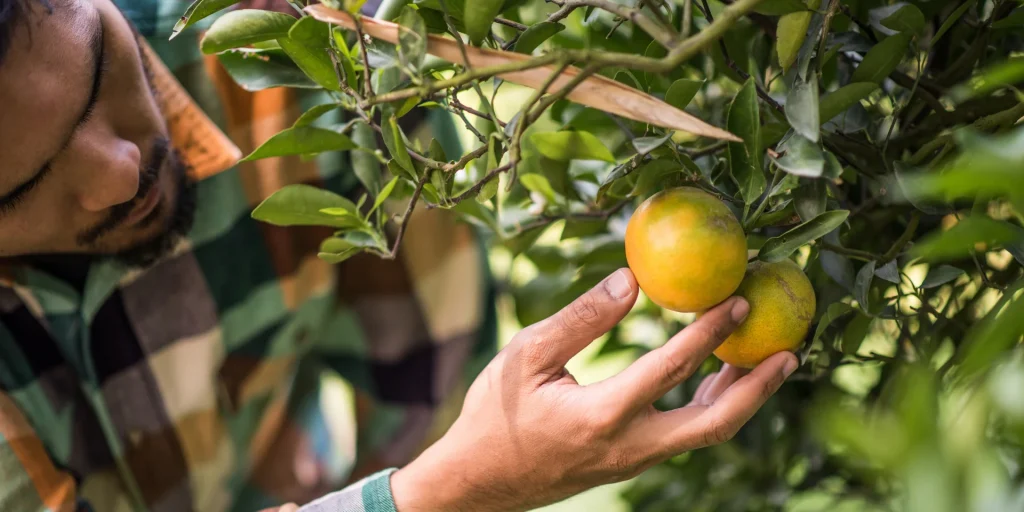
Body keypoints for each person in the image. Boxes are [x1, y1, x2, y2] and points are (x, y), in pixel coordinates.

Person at [0, 1, 799, 511]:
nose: (120, 170)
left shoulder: (300, 68)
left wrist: (392, 480)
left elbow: (432, 382)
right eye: (24, 183)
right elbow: (447, 470)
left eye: (100, 66)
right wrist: (440, 493)